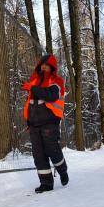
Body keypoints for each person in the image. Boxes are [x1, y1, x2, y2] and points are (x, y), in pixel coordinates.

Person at [21, 54, 69, 193]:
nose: (44, 67)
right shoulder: (34, 80)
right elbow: (31, 103)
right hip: (34, 124)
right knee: (39, 155)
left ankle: (63, 171)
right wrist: (29, 121)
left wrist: (32, 88)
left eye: (46, 65)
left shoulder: (57, 81)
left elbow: (51, 95)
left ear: (52, 67)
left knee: (52, 150)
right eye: (42, 64)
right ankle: (46, 183)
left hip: (50, 123)